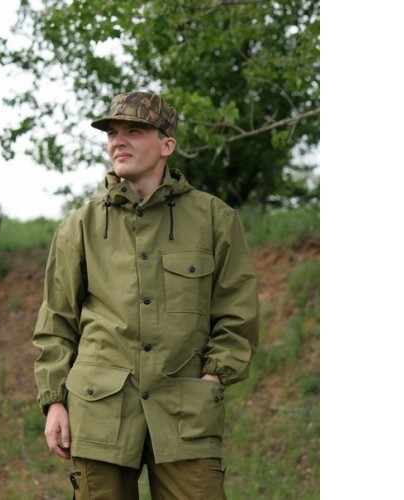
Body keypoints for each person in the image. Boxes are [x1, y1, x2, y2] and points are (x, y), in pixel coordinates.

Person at [33, 90, 259, 499]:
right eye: (112, 133)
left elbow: (237, 314)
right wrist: (54, 402)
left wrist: (213, 377)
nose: (118, 141)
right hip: (99, 410)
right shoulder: (80, 226)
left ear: (167, 145)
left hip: (185, 412)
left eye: (134, 131)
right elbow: (56, 322)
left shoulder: (214, 219)